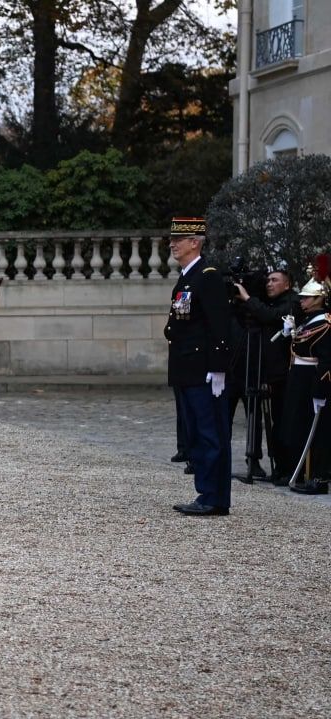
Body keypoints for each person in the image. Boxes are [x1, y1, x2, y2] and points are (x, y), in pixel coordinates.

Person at [164, 217, 232, 516]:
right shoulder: (187, 277)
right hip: (186, 368)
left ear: (195, 242)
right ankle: (206, 492)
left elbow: (220, 327)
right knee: (195, 434)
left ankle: (214, 496)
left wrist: (218, 368)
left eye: (179, 239)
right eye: (172, 240)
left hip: (203, 369)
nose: (173, 244)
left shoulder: (208, 276)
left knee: (209, 434)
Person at [229, 268, 299, 483]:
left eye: (274, 280)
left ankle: (285, 468)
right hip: (267, 372)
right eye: (267, 280)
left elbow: (271, 317)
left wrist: (248, 298)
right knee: (274, 423)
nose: (269, 284)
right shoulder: (265, 303)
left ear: (287, 284)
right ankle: (278, 467)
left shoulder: (292, 302)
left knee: (282, 423)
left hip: (283, 375)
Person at [281, 256, 330, 495]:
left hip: (312, 378)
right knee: (297, 425)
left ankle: (317, 477)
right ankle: (299, 471)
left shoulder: (325, 323)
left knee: (317, 430)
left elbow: (326, 359)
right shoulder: (308, 320)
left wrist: (321, 388)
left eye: (307, 298)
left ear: (319, 299)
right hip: (299, 377)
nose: (303, 301)